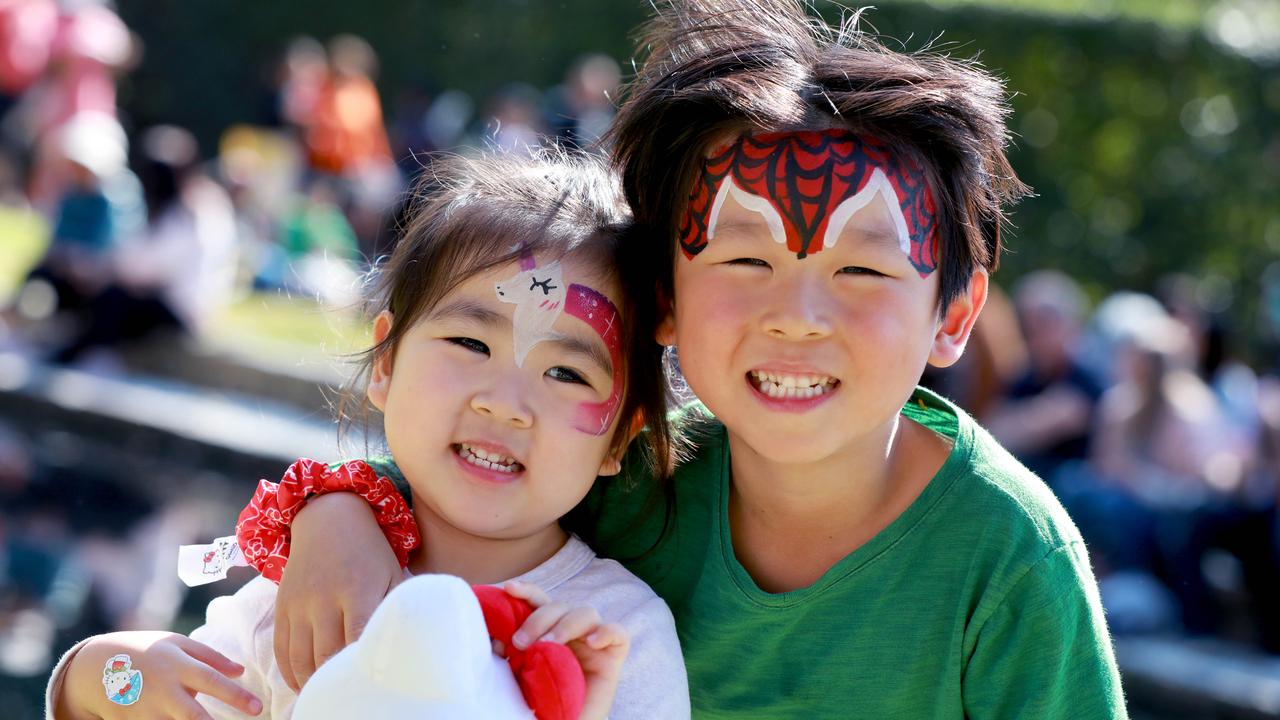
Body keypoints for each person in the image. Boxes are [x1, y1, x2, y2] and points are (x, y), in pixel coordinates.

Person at [235, 1, 1127, 716]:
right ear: (665, 299)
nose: (797, 318)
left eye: (861, 269)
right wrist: (340, 513)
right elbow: (452, 473)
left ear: (955, 313)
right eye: (745, 258)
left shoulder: (1012, 564)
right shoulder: (635, 470)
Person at [43, 151, 690, 720]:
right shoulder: (313, 585)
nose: (506, 403)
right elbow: (128, 695)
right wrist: (103, 670)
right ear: (385, 364)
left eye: (566, 371)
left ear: (619, 437)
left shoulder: (609, 636)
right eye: (470, 342)